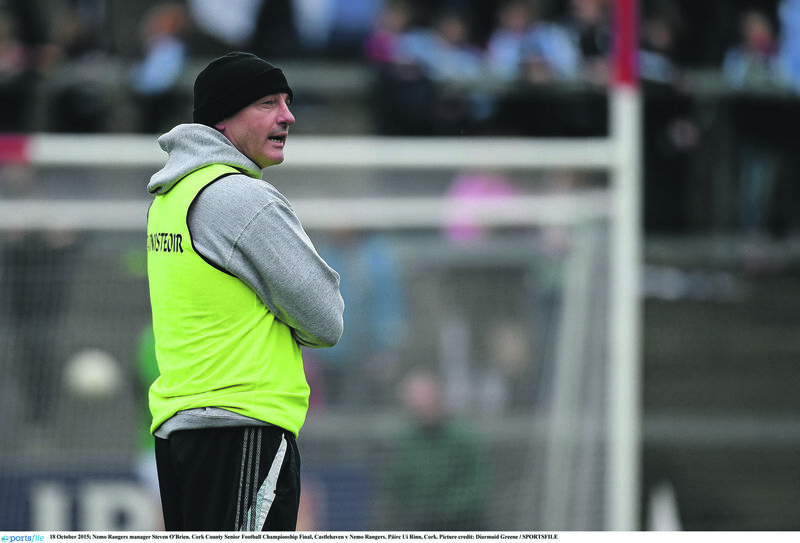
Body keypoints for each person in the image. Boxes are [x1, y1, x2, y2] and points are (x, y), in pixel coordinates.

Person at [145, 51, 345, 531]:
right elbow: (326, 319)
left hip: (182, 432)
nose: (288, 116)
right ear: (224, 118)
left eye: (287, 102)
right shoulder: (240, 197)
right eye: (267, 103)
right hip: (241, 429)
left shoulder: (170, 197)